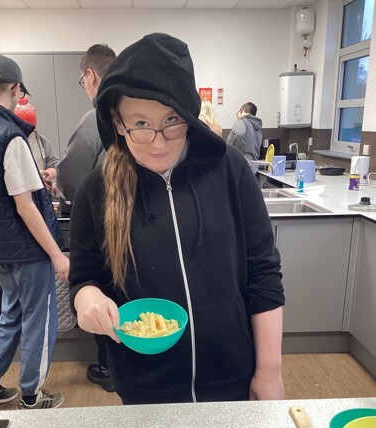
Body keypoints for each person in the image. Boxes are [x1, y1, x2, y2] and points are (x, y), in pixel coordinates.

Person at [69, 33, 285, 405]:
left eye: (172, 120)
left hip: (233, 376)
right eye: (140, 123)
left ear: (189, 113)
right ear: (117, 122)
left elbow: (263, 273)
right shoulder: (96, 190)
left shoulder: (229, 170)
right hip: (145, 387)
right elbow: (83, 279)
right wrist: (86, 300)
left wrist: (270, 372)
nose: (159, 142)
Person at [0, 54, 69, 410]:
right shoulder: (11, 137)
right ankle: (33, 396)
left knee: (11, 314)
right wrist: (57, 255)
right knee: (39, 319)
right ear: (17, 89)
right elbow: (26, 206)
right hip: (26, 251)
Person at [57, 43, 116, 393]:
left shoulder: (96, 116)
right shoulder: (130, 112)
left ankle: (109, 369)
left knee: (100, 295)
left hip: (104, 229)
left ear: (90, 76)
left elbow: (73, 179)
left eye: (82, 81)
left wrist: (58, 180)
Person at [14, 96, 59, 193]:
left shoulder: (42, 141)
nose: (28, 131)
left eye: (31, 127)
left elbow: (54, 165)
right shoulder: (9, 144)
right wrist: (35, 178)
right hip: (21, 193)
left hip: (43, 192)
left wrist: (45, 176)